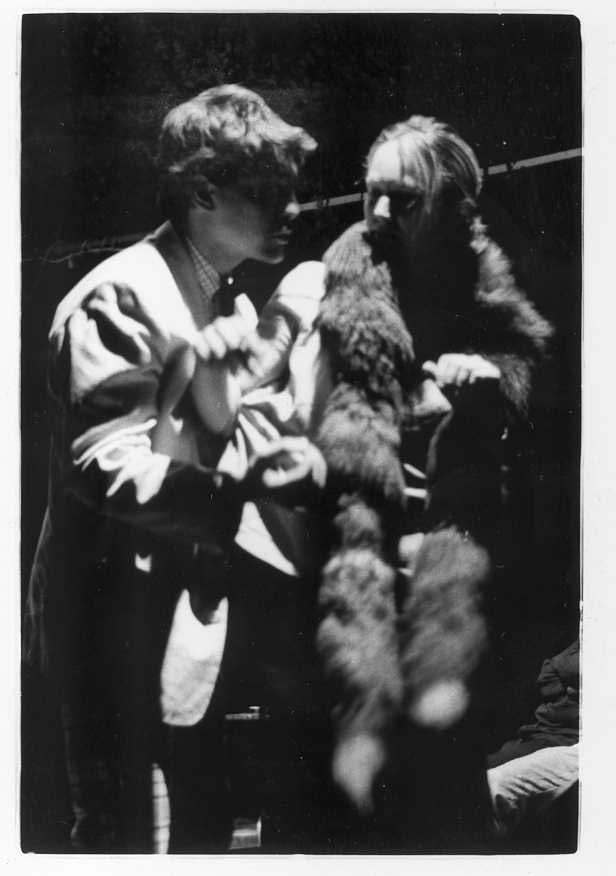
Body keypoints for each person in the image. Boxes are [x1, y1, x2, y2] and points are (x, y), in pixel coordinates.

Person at [208, 114, 552, 851]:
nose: (382, 213)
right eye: (373, 193)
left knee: (439, 820)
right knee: (326, 818)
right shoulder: (316, 287)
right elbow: (240, 404)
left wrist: (487, 391)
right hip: (332, 599)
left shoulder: (484, 306)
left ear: (455, 208)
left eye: (407, 198)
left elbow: (524, 415)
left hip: (440, 610)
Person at [24, 84, 321, 853]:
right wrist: (237, 492)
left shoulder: (227, 304)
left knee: (197, 839)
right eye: (271, 190)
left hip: (182, 636)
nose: (293, 207)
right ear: (203, 191)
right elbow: (105, 462)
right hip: (112, 634)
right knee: (132, 844)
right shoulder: (122, 293)